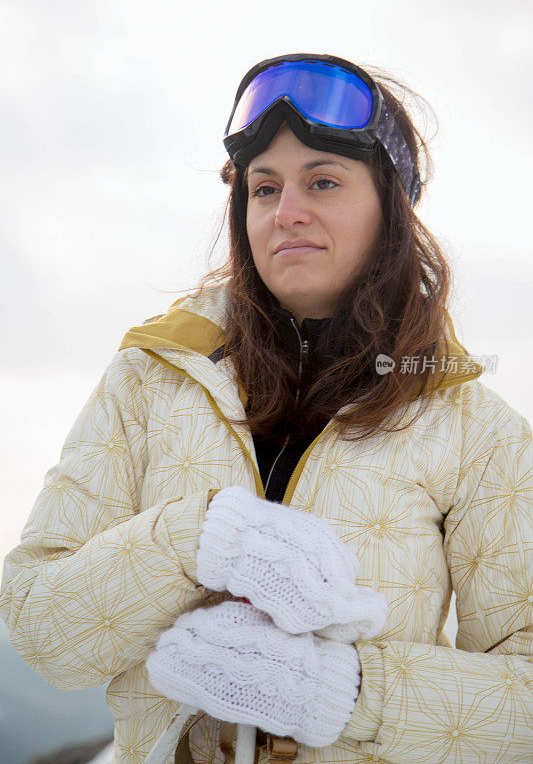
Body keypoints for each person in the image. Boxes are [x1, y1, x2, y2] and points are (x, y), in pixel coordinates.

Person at [1, 53, 531, 764]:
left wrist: (343, 693)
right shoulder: (150, 380)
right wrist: (186, 542)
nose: (287, 212)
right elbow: (42, 632)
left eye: (322, 181)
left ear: (390, 209)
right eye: (263, 188)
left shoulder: (472, 428)